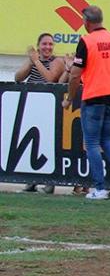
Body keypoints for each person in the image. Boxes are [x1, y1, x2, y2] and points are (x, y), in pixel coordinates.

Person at [63, 6, 110, 201]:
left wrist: (69, 98)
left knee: (92, 142)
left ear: (86, 22)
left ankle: (100, 187)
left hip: (94, 95)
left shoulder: (87, 40)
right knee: (107, 139)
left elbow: (75, 74)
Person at [16, 33, 65, 193]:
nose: (47, 47)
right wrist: (32, 61)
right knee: (32, 144)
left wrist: (36, 61)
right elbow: (18, 77)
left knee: (48, 144)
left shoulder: (56, 61)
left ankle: (49, 183)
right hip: (32, 105)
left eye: (50, 44)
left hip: (49, 108)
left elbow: (51, 79)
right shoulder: (34, 61)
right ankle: (32, 181)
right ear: (38, 46)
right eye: (44, 44)